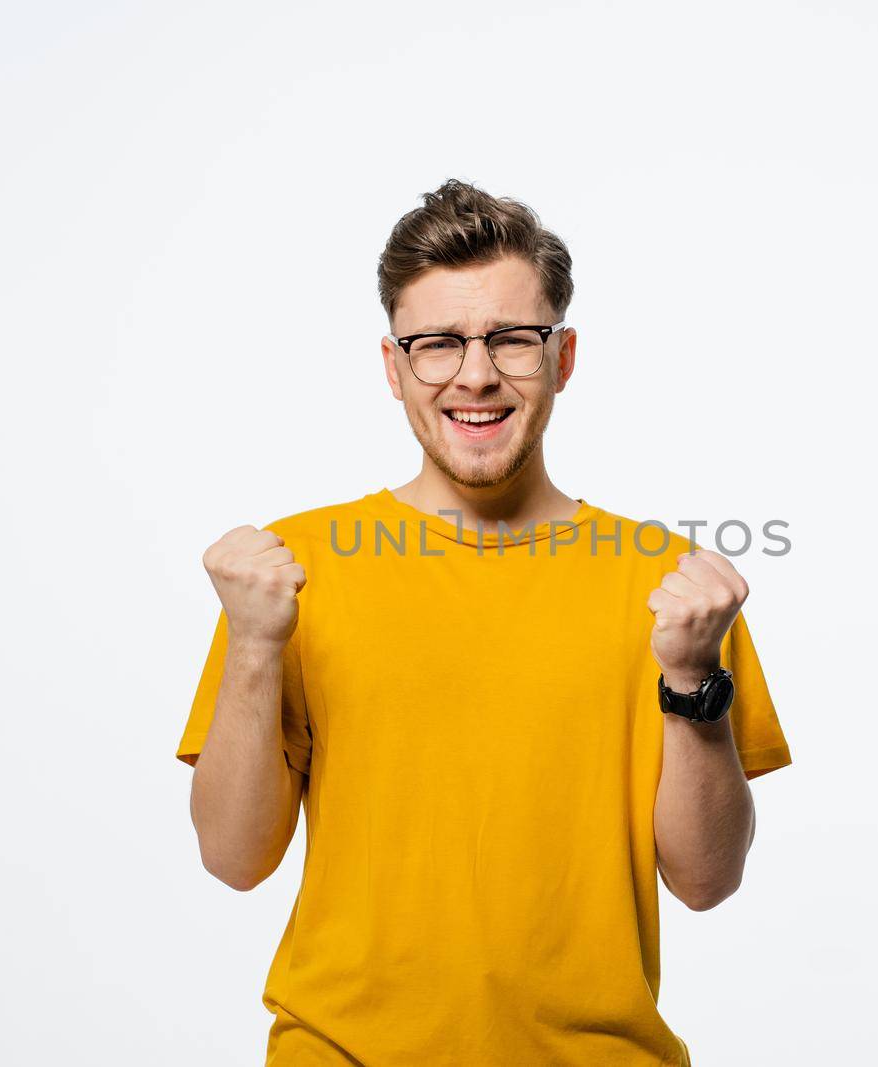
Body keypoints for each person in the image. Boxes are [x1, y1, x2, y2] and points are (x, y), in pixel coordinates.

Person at [174, 178, 794, 1065]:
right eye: (437, 344)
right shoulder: (292, 574)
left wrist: (692, 681)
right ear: (393, 368)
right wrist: (254, 649)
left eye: (512, 339)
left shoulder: (674, 590)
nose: (475, 373)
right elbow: (233, 858)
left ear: (564, 357)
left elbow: (706, 880)